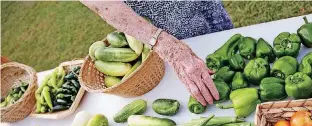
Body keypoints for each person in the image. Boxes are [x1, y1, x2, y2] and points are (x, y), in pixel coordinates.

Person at [81, 1, 234, 106]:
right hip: (171, 19)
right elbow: (104, 4)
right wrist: (168, 47)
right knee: (200, 61)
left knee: (227, 39)